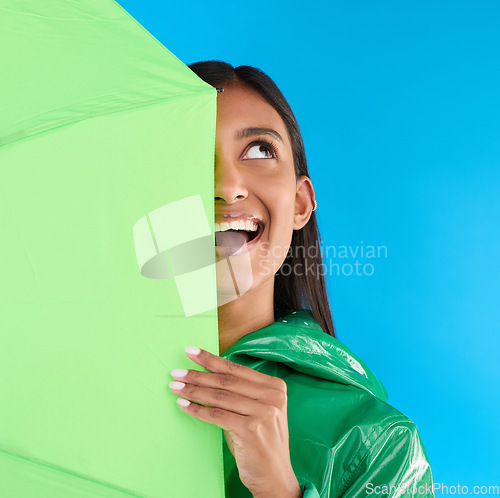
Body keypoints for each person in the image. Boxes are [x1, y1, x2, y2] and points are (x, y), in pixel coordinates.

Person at [168, 60, 434, 497]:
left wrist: (277, 487)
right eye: (188, 149)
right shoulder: (60, 373)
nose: (227, 185)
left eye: (258, 151)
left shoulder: (379, 446)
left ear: (299, 204)